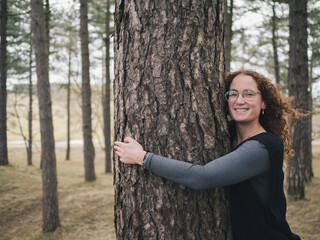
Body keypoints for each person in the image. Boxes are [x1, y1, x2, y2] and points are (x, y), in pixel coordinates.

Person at [114, 70, 302, 240]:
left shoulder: (262, 148)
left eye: (249, 94)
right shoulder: (227, 135)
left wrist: (144, 158)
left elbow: (202, 177)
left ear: (264, 103)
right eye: (233, 94)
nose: (239, 100)